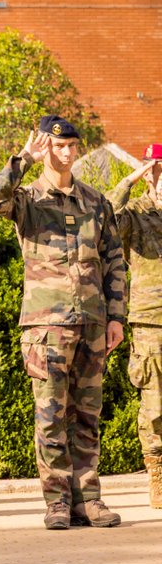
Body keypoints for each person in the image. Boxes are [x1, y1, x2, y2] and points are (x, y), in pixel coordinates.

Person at [0, 117, 126, 528]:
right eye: (58, 146)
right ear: (46, 148)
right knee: (51, 417)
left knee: (86, 416)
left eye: (71, 146)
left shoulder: (96, 202)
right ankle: (56, 501)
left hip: (92, 323)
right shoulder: (28, 199)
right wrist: (23, 160)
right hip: (46, 326)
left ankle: (89, 500)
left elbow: (114, 260)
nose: (66, 153)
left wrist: (116, 317)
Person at [109, 148, 162, 509]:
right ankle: (158, 474)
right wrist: (130, 179)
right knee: (155, 405)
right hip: (151, 321)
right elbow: (105, 217)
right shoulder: (137, 213)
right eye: (157, 169)